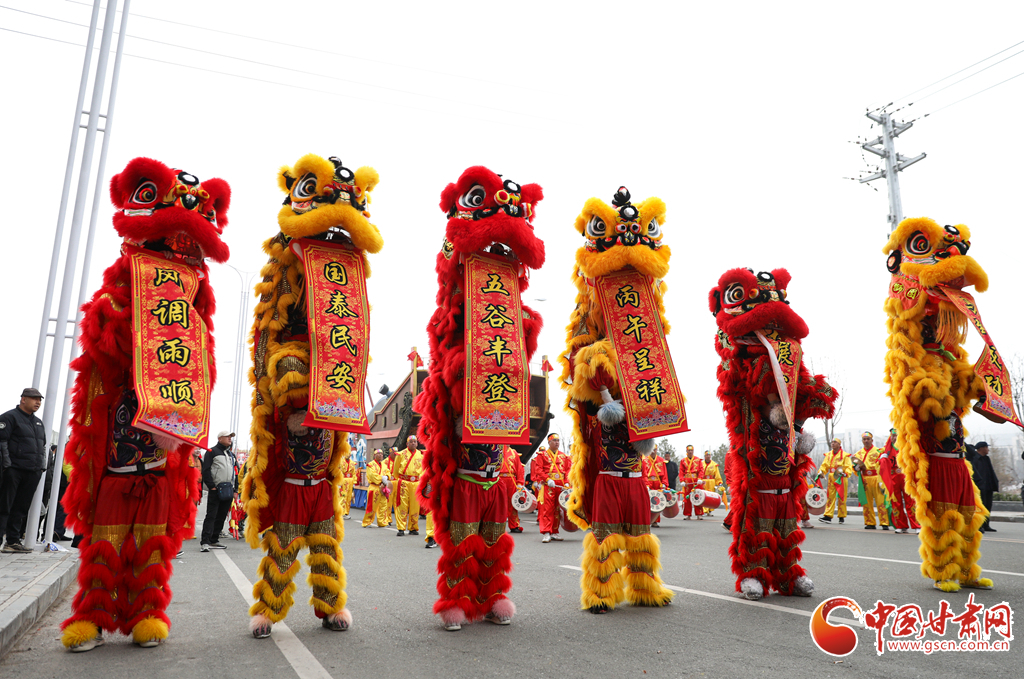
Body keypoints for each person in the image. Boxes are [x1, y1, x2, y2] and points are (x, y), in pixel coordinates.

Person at [0, 388, 47, 552]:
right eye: (34, 399)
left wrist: (41, 467)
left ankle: (12, 541)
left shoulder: (38, 423)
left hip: (32, 471)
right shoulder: (9, 417)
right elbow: (2, 443)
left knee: (21, 508)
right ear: (23, 399)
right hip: (13, 470)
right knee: (4, 506)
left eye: (40, 400)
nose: (38, 402)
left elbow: (43, 446)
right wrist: (7, 466)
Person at [200, 432, 236, 551]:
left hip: (228, 489)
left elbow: (235, 472)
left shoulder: (230, 454)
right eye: (227, 436)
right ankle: (205, 541)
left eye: (231, 437)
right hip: (216, 488)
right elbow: (206, 470)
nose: (230, 439)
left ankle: (214, 539)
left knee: (221, 516)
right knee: (211, 515)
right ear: (220, 438)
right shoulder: (212, 452)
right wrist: (211, 486)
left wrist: (235, 489)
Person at [532, 433, 571, 543]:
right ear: (549, 442)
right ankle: (546, 532)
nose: (557, 442)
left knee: (558, 509)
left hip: (560, 485)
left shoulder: (564, 456)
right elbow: (538, 469)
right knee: (547, 508)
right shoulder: (542, 455)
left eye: (558, 440)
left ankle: (554, 532)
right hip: (548, 485)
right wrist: (547, 479)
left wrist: (567, 483)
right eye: (554, 440)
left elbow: (568, 470)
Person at [853, 432, 889, 530]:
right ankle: (870, 522)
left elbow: (884, 464)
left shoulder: (878, 451)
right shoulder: (858, 454)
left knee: (881, 500)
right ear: (862, 441)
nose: (866, 441)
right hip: (865, 479)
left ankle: (884, 522)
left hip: (877, 477)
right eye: (864, 439)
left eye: (868, 439)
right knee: (867, 502)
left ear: (872, 440)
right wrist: (856, 468)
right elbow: (854, 467)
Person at [393, 436, 424, 536]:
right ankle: (401, 528)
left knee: (415, 505)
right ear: (407, 444)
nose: (413, 443)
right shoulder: (401, 454)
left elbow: (423, 469)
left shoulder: (421, 455)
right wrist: (400, 479)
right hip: (404, 482)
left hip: (416, 483)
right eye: (411, 442)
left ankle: (413, 527)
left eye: (415, 442)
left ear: (417, 443)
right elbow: (396, 470)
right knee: (402, 505)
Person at [817, 439, 853, 524]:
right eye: (832, 442)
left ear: (839, 444)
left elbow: (848, 466)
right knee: (830, 496)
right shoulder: (828, 455)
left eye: (835, 442)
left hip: (841, 477)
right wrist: (821, 472)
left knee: (841, 496)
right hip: (831, 476)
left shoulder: (845, 455)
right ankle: (828, 516)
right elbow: (824, 465)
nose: (833, 444)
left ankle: (841, 516)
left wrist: (846, 473)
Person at [968, 441, 999, 533]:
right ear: (981, 448)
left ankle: (986, 525)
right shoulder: (974, 459)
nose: (988, 449)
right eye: (986, 447)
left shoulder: (986, 459)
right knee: (981, 507)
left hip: (988, 486)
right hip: (980, 487)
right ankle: (980, 525)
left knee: (988, 506)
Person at [362, 450, 390, 527]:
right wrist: (382, 478)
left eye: (381, 454)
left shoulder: (384, 465)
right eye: (378, 454)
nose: (380, 455)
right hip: (374, 487)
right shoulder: (370, 465)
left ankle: (382, 522)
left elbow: (388, 472)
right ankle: (367, 522)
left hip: (383, 487)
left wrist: (387, 477)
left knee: (383, 505)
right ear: (374, 455)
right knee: (372, 506)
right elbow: (372, 476)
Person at [501, 445, 525, 533]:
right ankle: (498, 525)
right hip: (499, 478)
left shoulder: (514, 453)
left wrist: (520, 483)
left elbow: (519, 469)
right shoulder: (497, 450)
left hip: (511, 479)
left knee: (512, 502)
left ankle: (514, 525)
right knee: (499, 503)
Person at [642, 449, 669, 526]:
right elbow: (643, 473)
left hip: (658, 483)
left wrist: (664, 483)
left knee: (657, 502)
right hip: (648, 482)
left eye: (655, 450)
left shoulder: (661, 460)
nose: (653, 451)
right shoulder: (645, 460)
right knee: (647, 502)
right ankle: (646, 520)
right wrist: (645, 484)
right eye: (652, 450)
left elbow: (665, 473)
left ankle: (655, 521)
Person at [678, 445, 704, 520]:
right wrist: (682, 480)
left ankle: (699, 513)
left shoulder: (697, 460)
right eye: (689, 450)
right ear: (686, 451)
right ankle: (687, 514)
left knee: (697, 497)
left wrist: (700, 478)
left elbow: (701, 470)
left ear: (693, 451)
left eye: (691, 450)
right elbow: (681, 471)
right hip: (687, 481)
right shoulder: (683, 461)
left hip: (696, 480)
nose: (690, 452)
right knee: (687, 497)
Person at [702, 451, 726, 517]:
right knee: (704, 495)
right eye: (707, 455)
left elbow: (717, 474)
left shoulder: (714, 464)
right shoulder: (701, 464)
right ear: (705, 456)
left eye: (709, 455)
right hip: (704, 481)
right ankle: (704, 510)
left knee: (710, 495)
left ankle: (710, 510)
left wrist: (719, 482)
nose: (708, 456)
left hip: (711, 481)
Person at [339, 450, 357, 520]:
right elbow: (339, 472)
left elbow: (354, 473)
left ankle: (346, 512)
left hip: (350, 480)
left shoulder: (352, 463)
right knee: (343, 496)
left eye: (349, 454)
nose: (348, 455)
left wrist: (354, 482)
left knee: (349, 497)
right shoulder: (340, 462)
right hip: (343, 480)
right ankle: (341, 513)